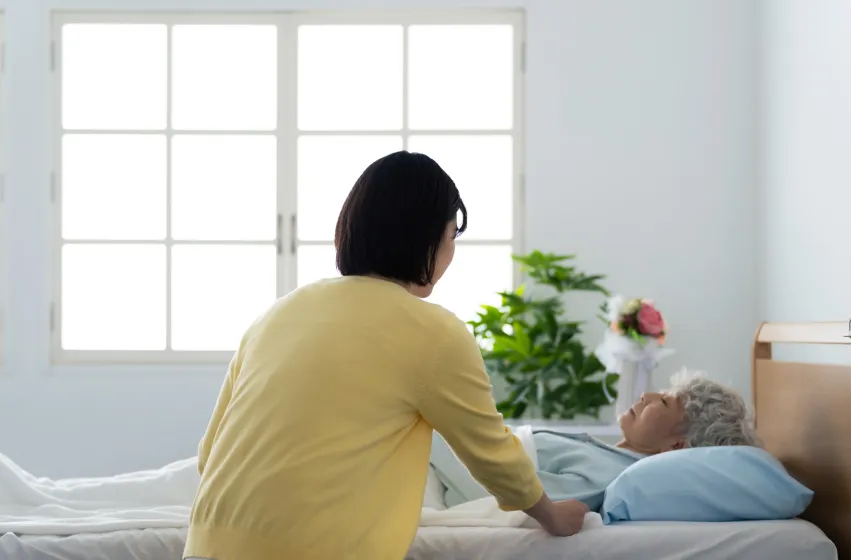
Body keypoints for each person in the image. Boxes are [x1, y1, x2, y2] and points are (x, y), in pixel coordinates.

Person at [183, 151, 588, 560]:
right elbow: (492, 454)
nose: (451, 254)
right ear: (427, 238)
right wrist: (552, 516)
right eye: (452, 237)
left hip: (204, 547)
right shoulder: (433, 332)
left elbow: (209, 454)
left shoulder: (275, 315)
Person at [430, 370, 759, 511]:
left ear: (675, 446)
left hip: (442, 464)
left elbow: (497, 494)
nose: (646, 395)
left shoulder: (611, 476)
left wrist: (434, 423)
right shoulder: (608, 455)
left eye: (662, 402)